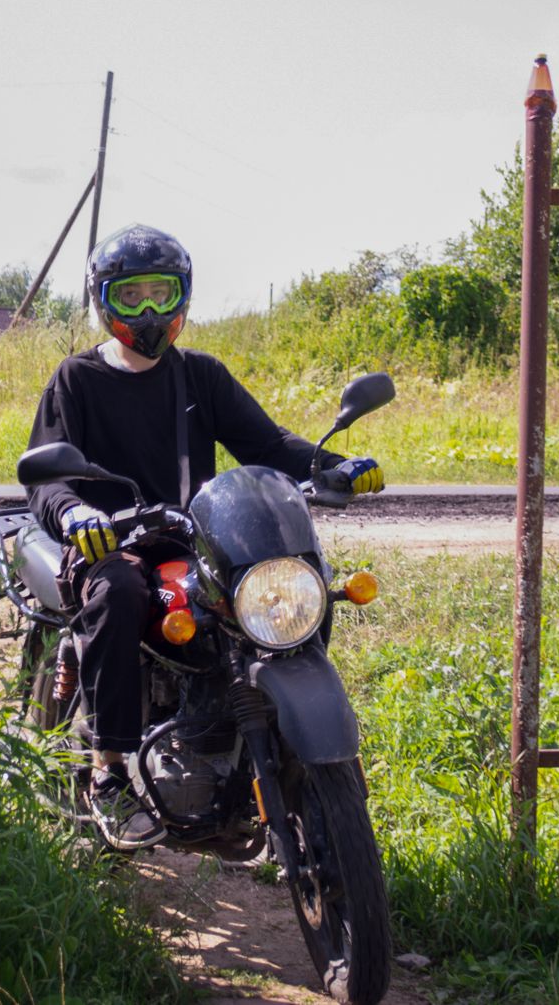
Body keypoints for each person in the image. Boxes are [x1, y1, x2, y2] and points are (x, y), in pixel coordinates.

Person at [26, 223, 385, 850]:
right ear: (103, 300)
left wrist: (333, 465)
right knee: (117, 593)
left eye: (159, 294)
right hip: (110, 546)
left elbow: (267, 445)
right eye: (130, 295)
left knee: (274, 587)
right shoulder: (75, 379)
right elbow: (47, 478)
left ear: (182, 296)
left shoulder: (200, 375)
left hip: (194, 538)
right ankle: (109, 771)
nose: (147, 311)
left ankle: (267, 752)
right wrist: (76, 515)